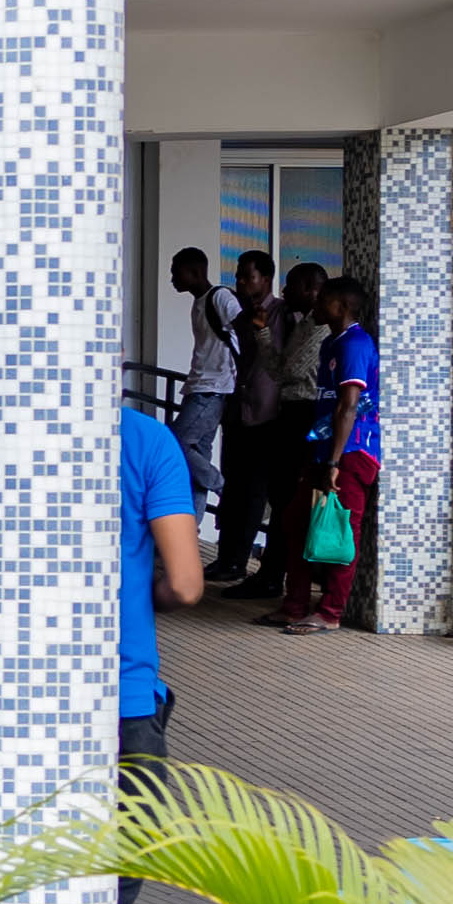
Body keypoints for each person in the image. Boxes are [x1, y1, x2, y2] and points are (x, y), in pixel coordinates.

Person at [117, 389, 206, 904]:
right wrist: (139, 596)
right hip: (125, 696)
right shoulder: (147, 441)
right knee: (125, 853)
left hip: (18, 694)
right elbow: (187, 584)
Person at [254, 266, 339, 626]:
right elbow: (279, 370)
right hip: (292, 412)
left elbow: (287, 371)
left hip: (304, 415)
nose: (284, 292)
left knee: (291, 503)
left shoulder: (322, 331)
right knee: (284, 500)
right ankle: (277, 579)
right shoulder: (306, 324)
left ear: (312, 289)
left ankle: (281, 580)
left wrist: (262, 337)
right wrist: (263, 334)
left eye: (291, 285)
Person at [306, 278, 383, 638]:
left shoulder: (355, 343)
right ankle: (298, 603)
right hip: (328, 448)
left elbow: (348, 406)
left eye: (323, 299)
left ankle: (331, 611)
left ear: (341, 306)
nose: (316, 304)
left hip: (352, 451)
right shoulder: (331, 343)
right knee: (300, 522)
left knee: (343, 529)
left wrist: (334, 462)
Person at [213, 253, 284, 584]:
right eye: (239, 276)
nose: (240, 282)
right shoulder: (241, 314)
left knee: (254, 490)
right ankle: (225, 557)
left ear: (266, 279)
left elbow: (278, 362)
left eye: (247, 277)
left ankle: (239, 560)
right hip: (238, 408)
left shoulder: (280, 314)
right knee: (233, 485)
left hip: (266, 413)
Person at [166, 247, 238, 559]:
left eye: (176, 272)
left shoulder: (220, 297)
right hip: (200, 386)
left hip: (214, 388)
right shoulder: (199, 302)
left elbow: (244, 332)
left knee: (175, 442)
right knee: (195, 457)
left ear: (194, 272)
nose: (172, 278)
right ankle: (189, 533)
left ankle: (224, 489)